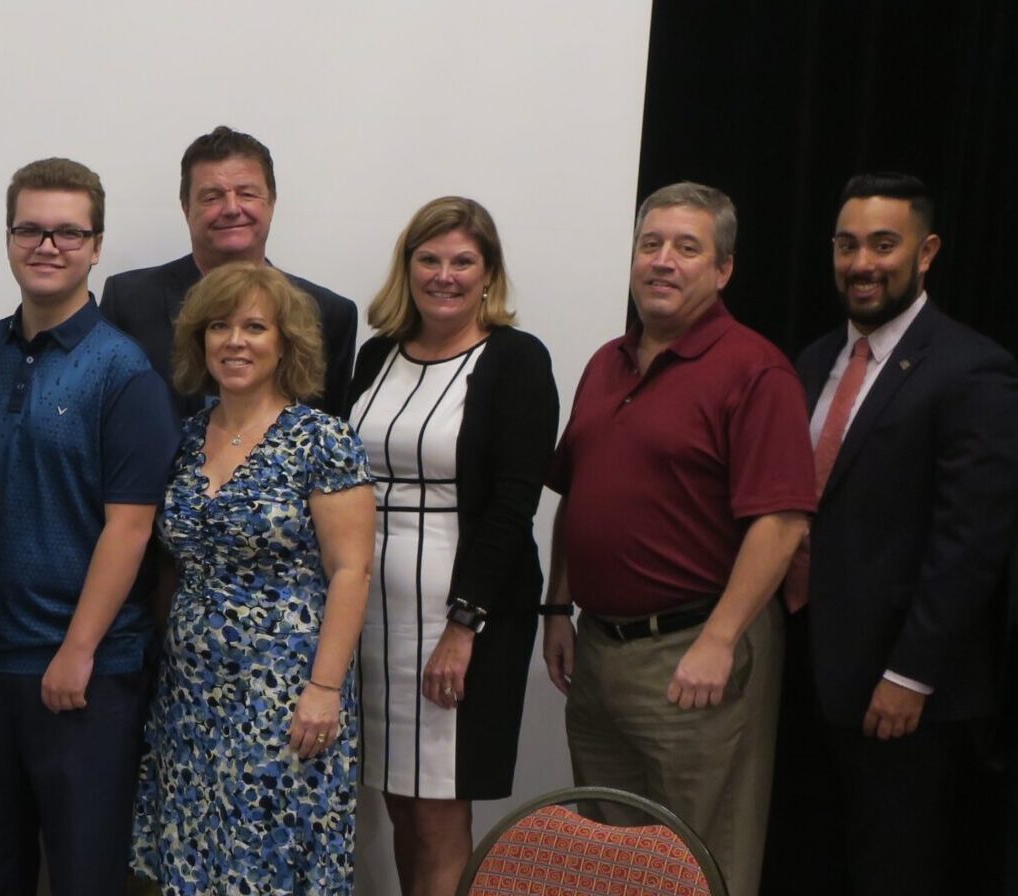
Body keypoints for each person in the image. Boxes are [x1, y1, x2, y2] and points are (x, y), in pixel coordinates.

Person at [543, 182, 814, 896]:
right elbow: (579, 493)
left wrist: (719, 640)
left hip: (695, 654)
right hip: (601, 653)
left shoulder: (755, 371)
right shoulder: (607, 362)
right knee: (606, 860)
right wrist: (556, 609)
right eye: (650, 244)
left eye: (687, 248)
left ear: (722, 270)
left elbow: (782, 520)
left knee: (701, 862)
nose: (663, 261)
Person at [764, 173, 1018, 895]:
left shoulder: (973, 369)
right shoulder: (813, 361)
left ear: (926, 251)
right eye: (847, 245)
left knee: (892, 869)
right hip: (805, 672)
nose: (861, 263)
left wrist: (911, 676)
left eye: (883, 244)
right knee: (810, 858)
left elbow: (970, 543)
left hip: (900, 692)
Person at [0, 158, 177, 896]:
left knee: (84, 874)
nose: (48, 245)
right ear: (8, 237)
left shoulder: (123, 370)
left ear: (97, 245)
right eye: (31, 229)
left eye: (68, 232)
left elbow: (131, 529)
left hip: (81, 674)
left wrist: (78, 651)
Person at [131, 262, 376, 895]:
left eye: (254, 326)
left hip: (286, 691)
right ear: (198, 340)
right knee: (195, 854)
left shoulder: (321, 439)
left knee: (266, 857)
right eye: (219, 326)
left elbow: (352, 571)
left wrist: (325, 688)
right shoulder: (184, 438)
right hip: (190, 692)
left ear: (285, 342)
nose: (235, 341)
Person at [341, 197, 557, 896]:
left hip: (459, 614)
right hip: (371, 615)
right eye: (429, 259)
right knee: (399, 800)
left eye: (463, 261)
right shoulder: (377, 355)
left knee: (437, 806)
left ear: (489, 274)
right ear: (407, 268)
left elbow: (512, 504)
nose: (444, 275)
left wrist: (464, 626)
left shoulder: (515, 360)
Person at [101, 125, 359, 418]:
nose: (232, 208)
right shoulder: (128, 301)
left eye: (247, 194)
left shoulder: (329, 314)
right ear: (186, 208)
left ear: (271, 204)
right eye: (212, 197)